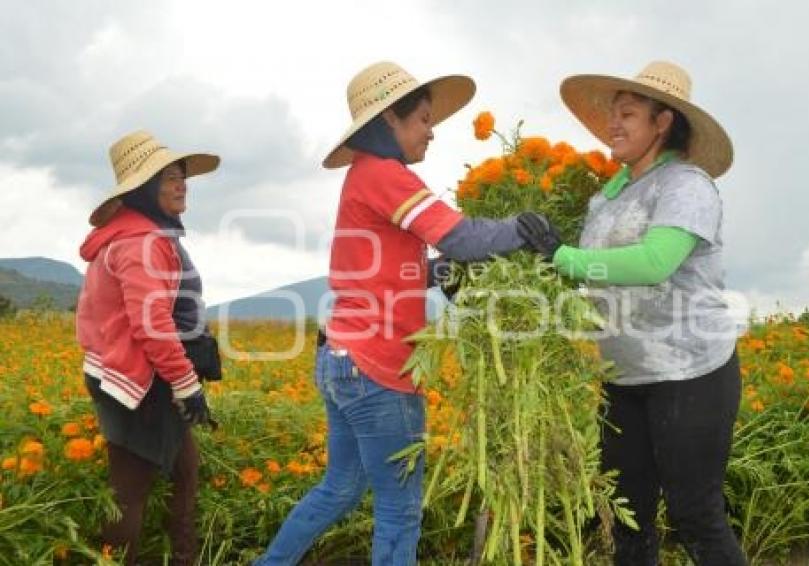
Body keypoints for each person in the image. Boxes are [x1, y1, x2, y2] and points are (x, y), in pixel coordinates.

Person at [256, 61, 533, 565]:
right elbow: (464, 237)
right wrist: (522, 228)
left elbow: (379, 269)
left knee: (340, 489)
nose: (432, 131)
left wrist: (434, 274)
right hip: (379, 368)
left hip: (342, 357)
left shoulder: (364, 178)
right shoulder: (386, 175)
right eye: (424, 119)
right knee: (399, 509)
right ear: (390, 120)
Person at [518, 61, 747, 565]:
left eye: (627, 114)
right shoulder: (607, 196)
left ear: (662, 122)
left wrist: (565, 257)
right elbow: (590, 275)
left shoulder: (686, 184)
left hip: (691, 374)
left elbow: (653, 262)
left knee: (696, 516)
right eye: (611, 115)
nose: (612, 125)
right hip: (624, 378)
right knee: (628, 517)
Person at [76, 130, 220, 565]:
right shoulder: (142, 243)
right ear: (141, 189)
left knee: (185, 469)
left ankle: (182, 558)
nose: (182, 185)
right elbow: (152, 325)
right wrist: (185, 385)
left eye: (182, 176)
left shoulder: (138, 235)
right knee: (129, 491)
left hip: (137, 375)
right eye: (169, 178)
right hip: (142, 383)